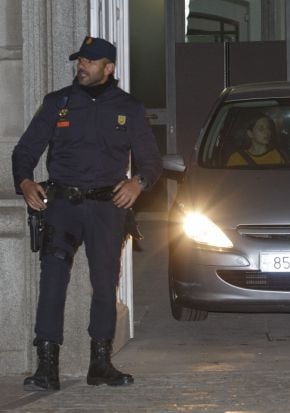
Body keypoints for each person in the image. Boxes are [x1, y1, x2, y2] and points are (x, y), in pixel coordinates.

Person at [11, 36, 162, 391]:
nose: (82, 66)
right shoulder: (57, 103)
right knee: (52, 279)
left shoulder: (130, 108)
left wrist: (138, 183)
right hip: (62, 205)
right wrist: (25, 182)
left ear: (108, 68)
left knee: (105, 284)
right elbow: (25, 150)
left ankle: (101, 363)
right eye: (80, 60)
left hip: (106, 208)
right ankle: (47, 365)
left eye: (90, 62)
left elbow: (152, 162)